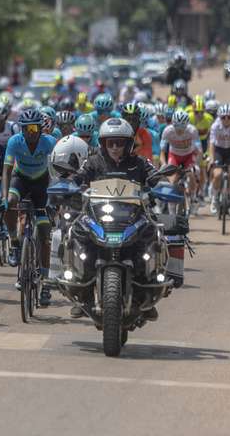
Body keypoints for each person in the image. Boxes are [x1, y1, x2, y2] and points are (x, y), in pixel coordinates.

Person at [74, 118, 162, 319]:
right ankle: (83, 291)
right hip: (98, 217)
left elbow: (157, 178)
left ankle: (146, 294)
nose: (114, 147)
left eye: (119, 142)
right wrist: (69, 185)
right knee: (75, 231)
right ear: (103, 143)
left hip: (133, 218)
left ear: (128, 143)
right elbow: (77, 177)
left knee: (154, 233)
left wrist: (164, 185)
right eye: (110, 142)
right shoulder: (93, 161)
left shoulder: (139, 163)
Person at [0, 108, 56, 307]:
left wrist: (53, 201)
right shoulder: (14, 141)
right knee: (11, 204)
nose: (31, 132)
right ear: (21, 130)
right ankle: (15, 243)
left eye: (34, 128)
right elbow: (6, 170)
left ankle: (46, 282)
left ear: (41, 129)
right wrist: (4, 197)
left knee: (44, 234)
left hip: (42, 183)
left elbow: (55, 173)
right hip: (21, 179)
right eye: (26, 128)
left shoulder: (49, 142)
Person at [208, 103, 230, 216]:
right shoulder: (215, 126)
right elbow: (212, 144)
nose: (226, 119)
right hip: (219, 150)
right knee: (217, 174)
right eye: (223, 117)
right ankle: (214, 200)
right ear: (220, 118)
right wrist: (211, 159)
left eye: (229, 117)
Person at [160, 110, 201, 200]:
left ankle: (193, 196)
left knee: (191, 174)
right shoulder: (167, 131)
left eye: (182, 127)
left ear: (187, 125)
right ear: (172, 123)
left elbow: (199, 151)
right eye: (176, 126)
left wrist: (196, 164)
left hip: (188, 156)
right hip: (174, 156)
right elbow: (162, 151)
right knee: (172, 179)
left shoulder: (192, 130)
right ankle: (171, 206)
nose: (179, 130)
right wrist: (164, 164)